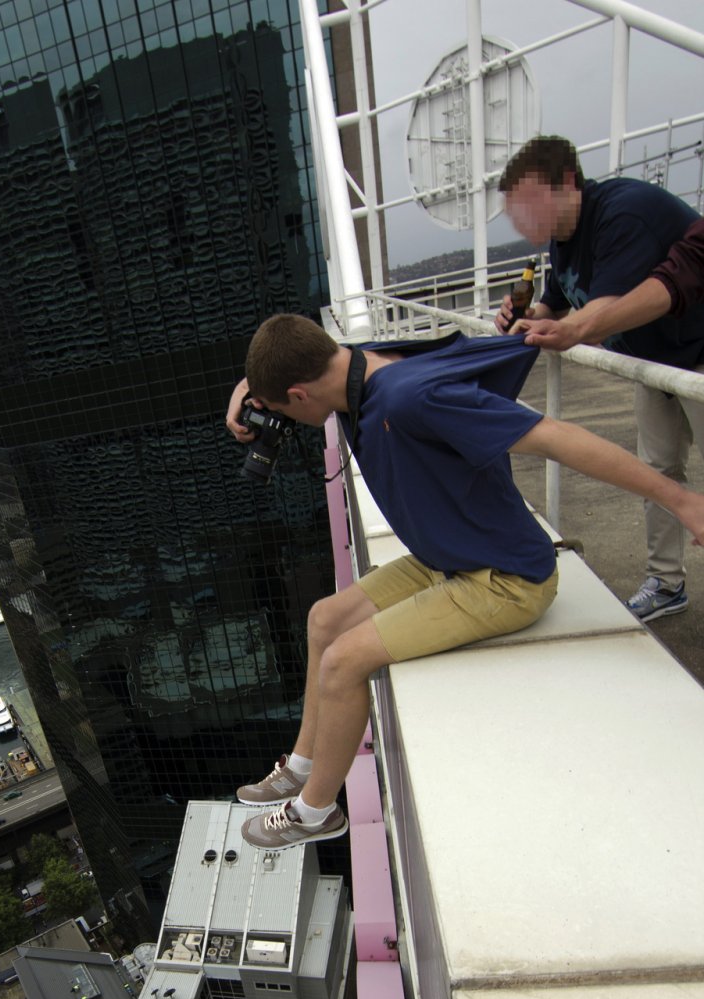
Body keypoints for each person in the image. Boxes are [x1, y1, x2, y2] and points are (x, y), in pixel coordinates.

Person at [225, 313, 704, 851]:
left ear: (299, 392)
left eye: (285, 406)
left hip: (505, 579)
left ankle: (316, 811)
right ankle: (303, 764)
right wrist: (247, 391)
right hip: (446, 556)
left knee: (344, 660)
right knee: (323, 619)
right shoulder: (358, 363)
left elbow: (556, 439)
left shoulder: (411, 397)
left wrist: (683, 501)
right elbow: (289, 359)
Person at [495, 135, 704, 621]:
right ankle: (667, 582)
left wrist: (568, 329)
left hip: (696, 356)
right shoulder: (561, 241)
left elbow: (604, 309)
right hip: (653, 365)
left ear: (568, 182)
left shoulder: (622, 212)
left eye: (529, 201)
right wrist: (522, 314)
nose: (522, 217)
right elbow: (561, 300)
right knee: (658, 470)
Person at [519, 215, 704, 349]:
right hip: (654, 359)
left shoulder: (619, 218)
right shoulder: (561, 247)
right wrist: (525, 320)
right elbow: (552, 306)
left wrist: (578, 329)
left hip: (691, 350)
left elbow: (680, 275)